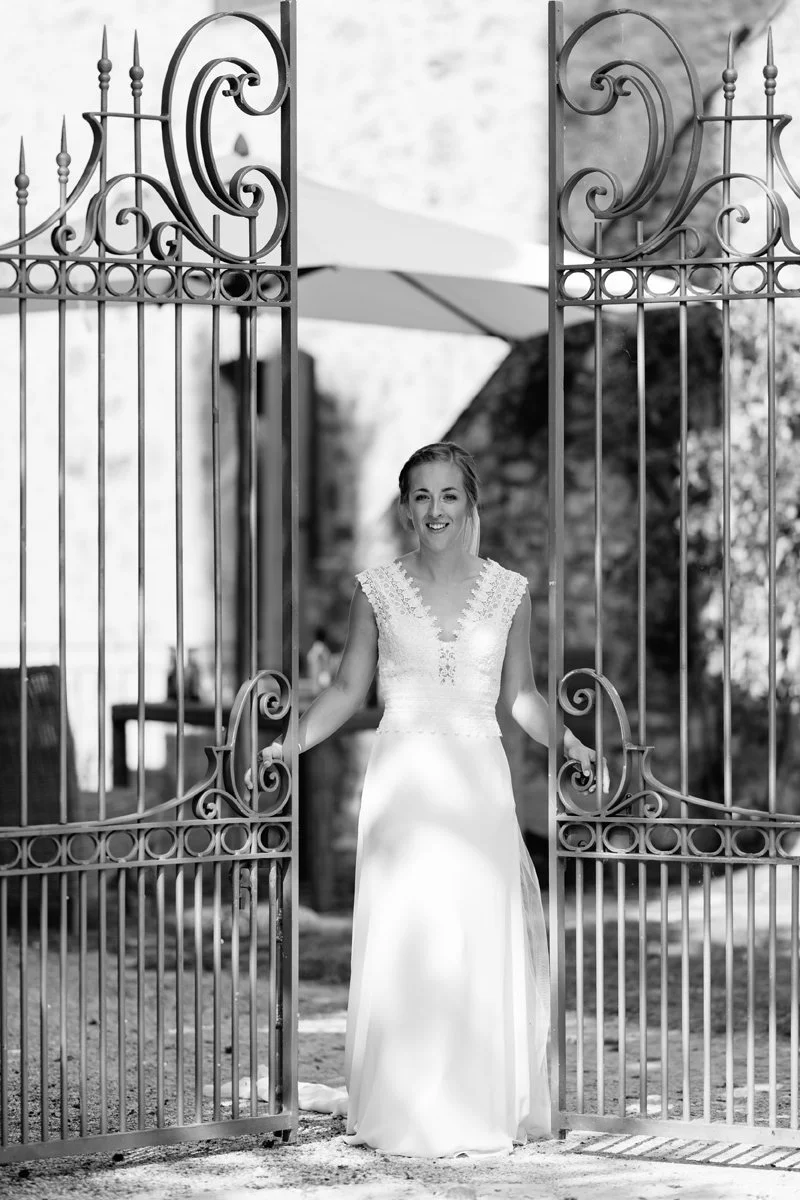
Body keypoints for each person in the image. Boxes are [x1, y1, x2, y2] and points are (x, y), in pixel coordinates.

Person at [257, 441, 601, 1159]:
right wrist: (289, 744)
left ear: (470, 503)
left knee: (472, 936)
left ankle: (474, 1103)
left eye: (449, 495)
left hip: (477, 785)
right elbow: (348, 691)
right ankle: (405, 1103)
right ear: (406, 507)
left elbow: (524, 699)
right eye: (421, 496)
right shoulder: (376, 589)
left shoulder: (510, 592)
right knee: (410, 937)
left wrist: (568, 743)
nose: (436, 509)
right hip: (403, 787)